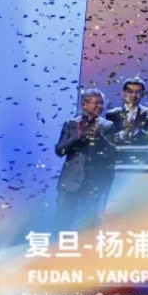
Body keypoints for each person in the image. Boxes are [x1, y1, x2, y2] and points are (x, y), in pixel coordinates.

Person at [54, 89, 119, 230]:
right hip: (70, 181)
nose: (100, 107)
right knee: (61, 222)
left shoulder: (107, 126)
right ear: (84, 104)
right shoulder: (71, 124)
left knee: (88, 225)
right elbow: (60, 151)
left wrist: (99, 138)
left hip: (94, 182)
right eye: (96, 103)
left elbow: (113, 153)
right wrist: (77, 137)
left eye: (101, 104)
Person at [104, 77, 148, 164]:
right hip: (118, 161)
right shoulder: (112, 114)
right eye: (130, 91)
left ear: (143, 94)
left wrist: (135, 130)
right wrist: (125, 133)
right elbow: (109, 141)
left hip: (143, 163)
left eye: (138, 92)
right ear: (124, 93)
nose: (134, 95)